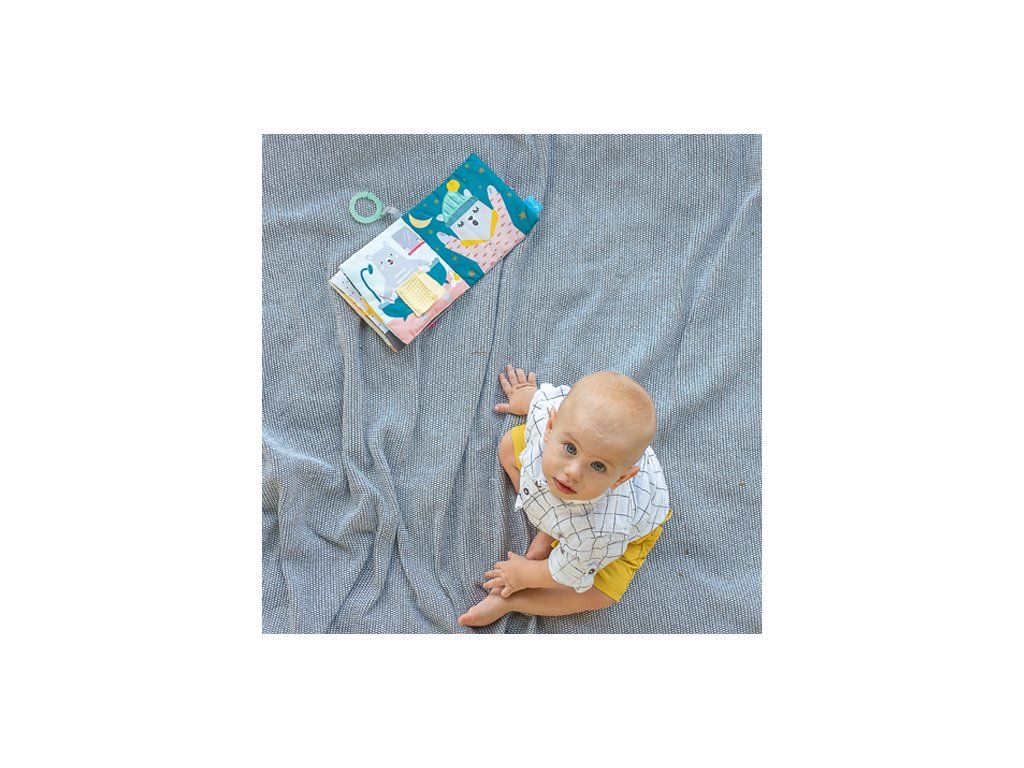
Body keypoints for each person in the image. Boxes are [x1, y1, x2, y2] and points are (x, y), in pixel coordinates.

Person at [458, 365, 671, 628]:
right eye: (570, 448)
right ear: (551, 426)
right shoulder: (548, 415)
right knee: (509, 447)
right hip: (576, 486)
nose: (573, 472)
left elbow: (566, 572)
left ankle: (511, 602)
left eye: (598, 466)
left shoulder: (601, 532)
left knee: (600, 594)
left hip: (628, 522)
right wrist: (525, 394)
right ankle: (551, 528)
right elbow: (539, 400)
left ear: (619, 479)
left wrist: (523, 575)